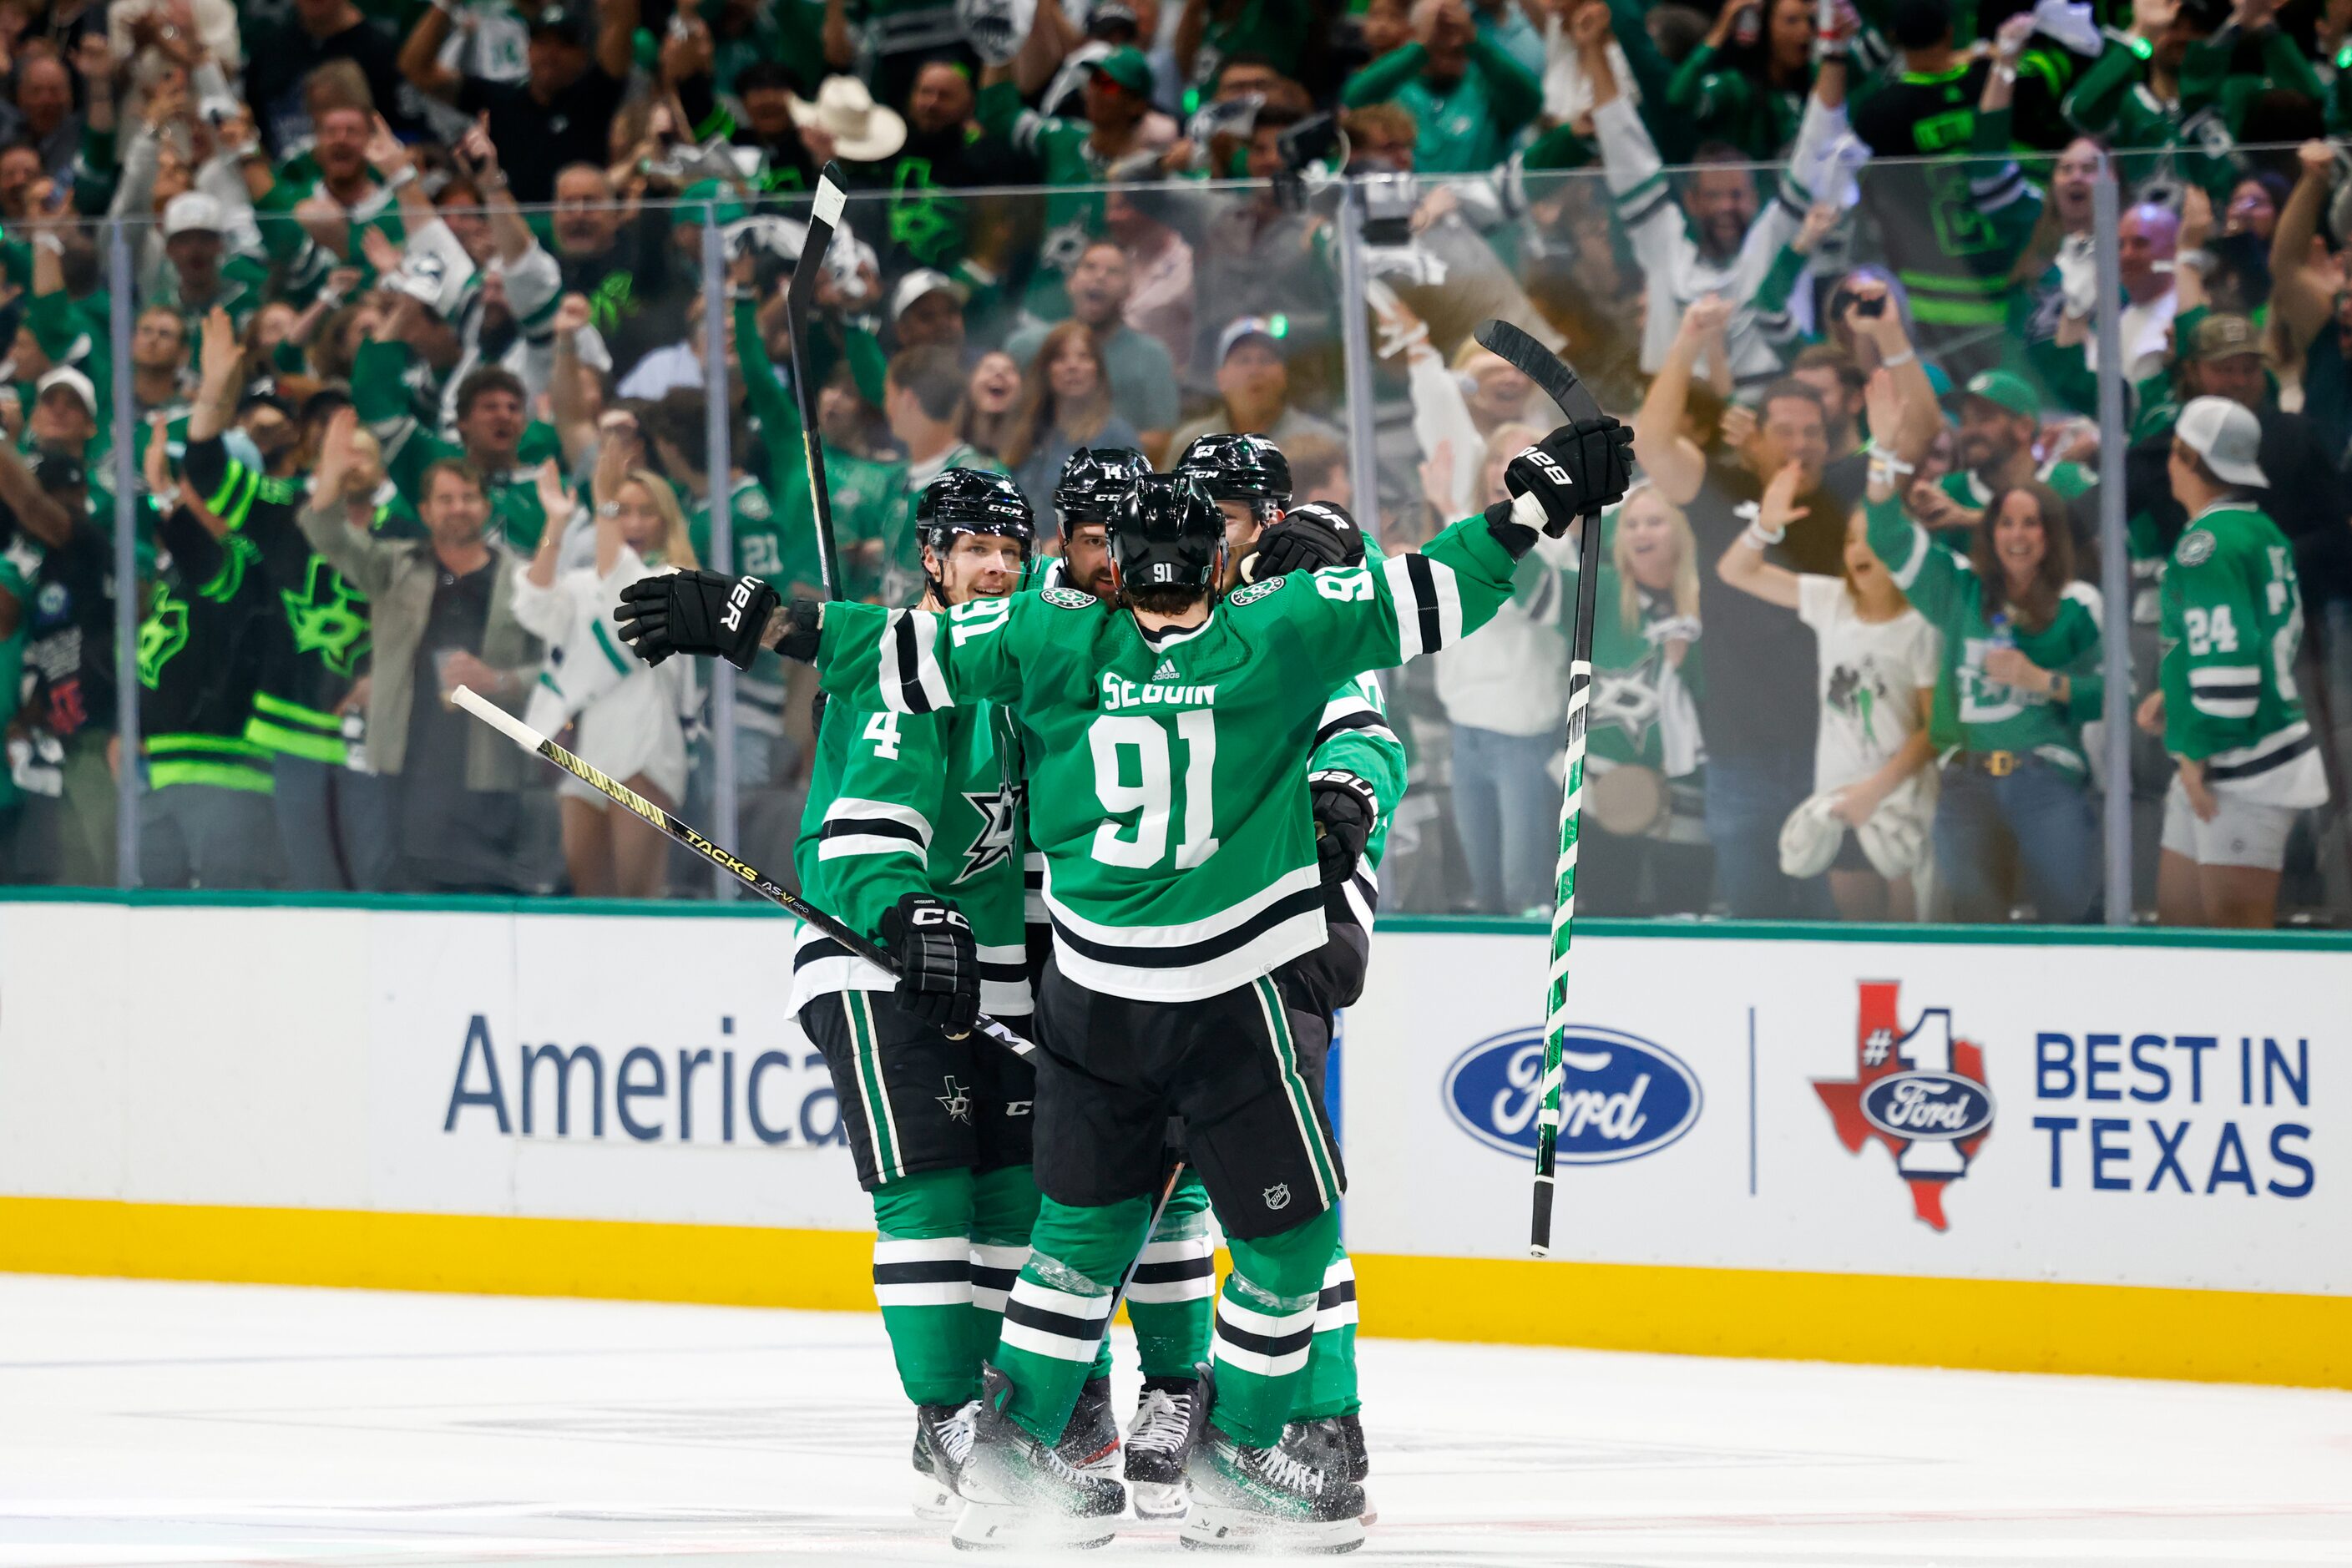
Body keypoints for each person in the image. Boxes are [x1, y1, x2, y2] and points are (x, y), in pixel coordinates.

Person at [616, 410, 1636, 1550]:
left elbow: (887, 648)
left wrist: (745, 613)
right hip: (1227, 997)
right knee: (1292, 1237)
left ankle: (1012, 1449)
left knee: (1077, 1236)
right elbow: (1444, 589)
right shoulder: (1279, 626)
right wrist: (1539, 499)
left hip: (1091, 1000)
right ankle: (1247, 1445)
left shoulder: (1056, 640)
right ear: (1213, 558)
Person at [784, 468, 1051, 1520]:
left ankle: (982, 1407)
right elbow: (871, 818)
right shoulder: (903, 664)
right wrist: (906, 909)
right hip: (877, 956)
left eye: (1010, 548)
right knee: (931, 1191)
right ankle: (949, 1419)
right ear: (931, 561)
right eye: (973, 546)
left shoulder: (1023, 670)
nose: (996, 564)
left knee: (1014, 1200)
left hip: (994, 966)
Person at [1863, 448, 2106, 923]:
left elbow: (2117, 696)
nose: (2017, 535)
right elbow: (1888, 536)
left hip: (2045, 779)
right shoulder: (1960, 589)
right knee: (1974, 930)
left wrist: (2043, 681)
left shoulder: (2079, 603)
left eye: (2031, 523)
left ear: (2052, 535)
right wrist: (1883, 454)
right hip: (1967, 783)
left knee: (2071, 921)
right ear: (1990, 532)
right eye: (2006, 523)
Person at [300, 426, 548, 893]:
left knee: (486, 902)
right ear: (425, 512)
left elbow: (556, 672)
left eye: (468, 497)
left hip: (489, 771)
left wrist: (500, 679)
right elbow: (327, 534)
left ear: (486, 507)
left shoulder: (522, 581)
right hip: (405, 768)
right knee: (403, 898)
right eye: (446, 499)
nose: (458, 508)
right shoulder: (394, 565)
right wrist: (330, 477)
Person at [1719, 433, 1940, 922]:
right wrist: (1765, 526)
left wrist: (1874, 792)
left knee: (1907, 942)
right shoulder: (1832, 601)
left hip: (1899, 805)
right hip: (1838, 804)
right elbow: (1736, 572)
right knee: (1858, 940)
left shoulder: (1922, 625)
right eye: (1850, 539)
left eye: (1873, 538)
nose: (1858, 548)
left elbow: (1935, 730)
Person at [2138, 397, 2327, 928]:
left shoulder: (2207, 545)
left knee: (2238, 939)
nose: (2168, 463)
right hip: (2226, 755)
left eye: (2175, 450)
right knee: (2180, 924)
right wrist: (2174, 694)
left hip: (2238, 765)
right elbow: (2237, 648)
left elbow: (2232, 680)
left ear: (2191, 457)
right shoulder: (2257, 531)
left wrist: (2195, 757)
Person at [512, 447, 696, 898]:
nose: (631, 522)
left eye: (644, 512)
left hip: (644, 746)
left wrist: (605, 505)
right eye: (623, 511)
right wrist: (557, 521)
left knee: (637, 896)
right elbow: (533, 607)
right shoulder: (581, 585)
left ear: (666, 521)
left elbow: (625, 589)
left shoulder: (679, 582)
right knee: (589, 896)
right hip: (585, 750)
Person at [1437, 422, 1572, 915]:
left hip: (1523, 740)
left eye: (1520, 457)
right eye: (1496, 457)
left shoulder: (1554, 542)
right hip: (1466, 734)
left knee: (1524, 893)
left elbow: (1495, 577)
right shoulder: (1464, 530)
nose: (1504, 467)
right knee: (1486, 891)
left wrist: (1449, 511)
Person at [1004, 241, 1179, 461]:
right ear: (1071, 282)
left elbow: (1160, 440)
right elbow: (1001, 420)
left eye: (1113, 272)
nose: (1100, 277)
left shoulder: (1153, 357)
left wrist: (1092, 446)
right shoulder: (1026, 346)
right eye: (1090, 267)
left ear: (1129, 289)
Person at [1340, 0, 1543, 175]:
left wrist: (1476, 43)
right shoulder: (1394, 88)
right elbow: (1350, 100)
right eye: (1439, 31)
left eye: (1457, 32)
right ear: (1412, 36)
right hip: (1414, 215)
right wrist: (1421, 49)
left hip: (1480, 217)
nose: (1451, 42)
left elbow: (1532, 102)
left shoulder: (1486, 89)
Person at [1004, 322, 1141, 526]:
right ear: (1046, 370)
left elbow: (1133, 513)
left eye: (1084, 357)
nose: (1072, 366)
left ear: (1098, 369)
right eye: (1060, 358)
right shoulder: (1025, 430)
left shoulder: (1117, 438)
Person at [1167, 317, 1344, 455]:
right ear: (1220, 378)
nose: (1255, 370)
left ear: (1284, 376)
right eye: (1243, 360)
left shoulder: (1320, 443)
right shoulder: (1191, 444)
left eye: (1266, 360)